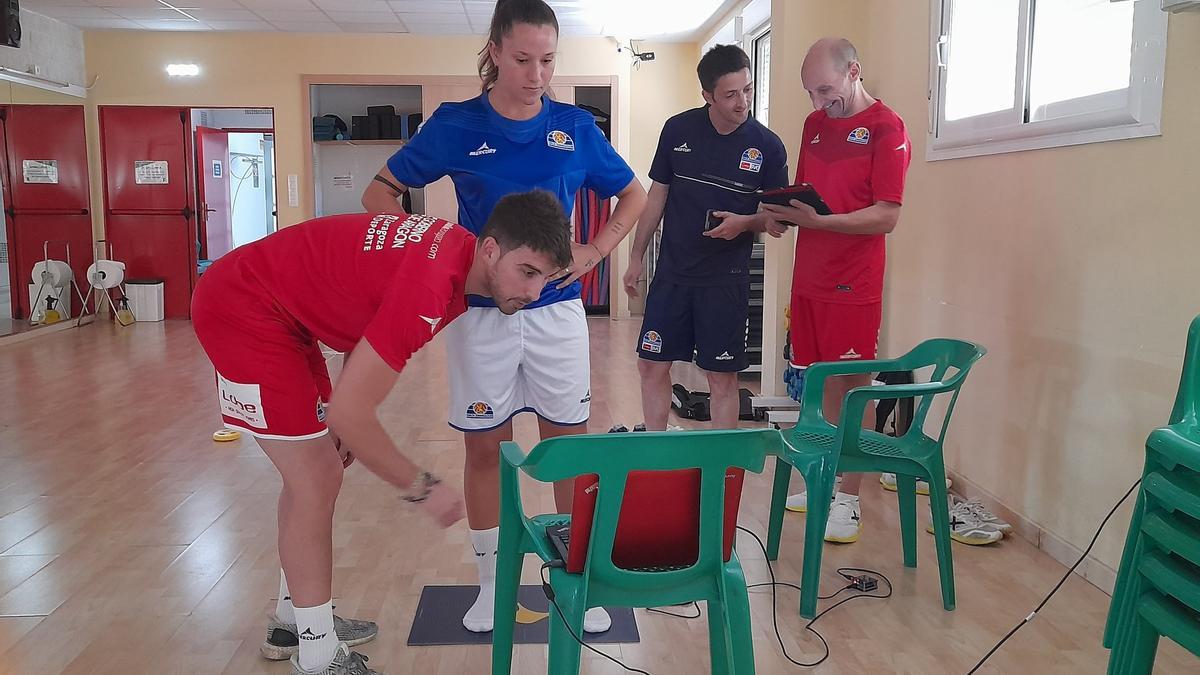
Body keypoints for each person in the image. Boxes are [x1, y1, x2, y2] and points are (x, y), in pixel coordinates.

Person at [192, 190, 574, 675]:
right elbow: (350, 416)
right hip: (243, 310)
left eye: (545, 277)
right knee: (314, 477)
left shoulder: (457, 254)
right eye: (528, 272)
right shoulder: (432, 287)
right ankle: (317, 654)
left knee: (315, 473)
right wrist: (422, 488)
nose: (535, 292)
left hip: (285, 312)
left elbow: (366, 321)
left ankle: (296, 619)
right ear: (492, 249)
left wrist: (341, 404)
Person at [360, 0, 647, 634]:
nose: (536, 73)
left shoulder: (575, 126)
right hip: (480, 316)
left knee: (566, 452)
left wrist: (597, 249)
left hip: (557, 313)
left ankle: (574, 578)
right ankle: (492, 583)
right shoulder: (456, 125)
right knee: (486, 449)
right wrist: (431, 253)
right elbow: (378, 193)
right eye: (522, 59)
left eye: (548, 60)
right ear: (493, 51)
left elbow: (633, 192)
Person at [763, 38, 912, 544]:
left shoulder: (886, 128)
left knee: (854, 387)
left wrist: (824, 223)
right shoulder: (814, 126)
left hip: (855, 280)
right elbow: (811, 197)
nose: (817, 102)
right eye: (809, 92)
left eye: (824, 89)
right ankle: (825, 479)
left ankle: (849, 497)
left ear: (854, 71)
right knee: (820, 383)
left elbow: (887, 215)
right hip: (810, 275)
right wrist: (785, 214)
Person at [624, 44, 788, 432]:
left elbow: (777, 220)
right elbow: (656, 196)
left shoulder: (767, 146)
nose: (742, 101)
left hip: (724, 281)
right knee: (651, 364)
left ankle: (722, 468)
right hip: (673, 275)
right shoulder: (678, 130)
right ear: (707, 96)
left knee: (721, 378)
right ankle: (655, 451)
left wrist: (745, 223)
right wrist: (635, 256)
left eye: (747, 90)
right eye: (730, 94)